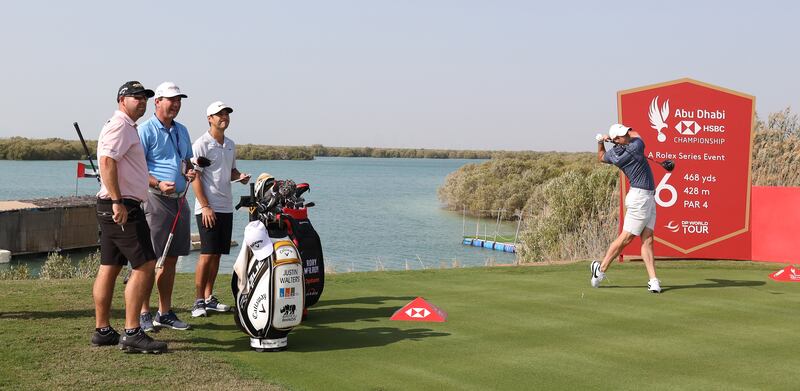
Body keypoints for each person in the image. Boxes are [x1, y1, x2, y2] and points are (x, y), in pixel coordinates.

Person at [92, 81, 167, 353]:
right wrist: (117, 201)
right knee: (146, 264)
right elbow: (107, 161)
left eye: (145, 97)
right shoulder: (121, 125)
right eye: (136, 97)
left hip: (115, 204)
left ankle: (103, 330)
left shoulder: (124, 125)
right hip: (122, 206)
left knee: (109, 266)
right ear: (121, 99)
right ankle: (133, 331)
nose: (142, 101)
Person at [137, 81, 195, 330]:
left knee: (171, 259)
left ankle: (165, 312)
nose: (176, 104)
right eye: (171, 99)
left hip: (179, 200)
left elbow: (187, 161)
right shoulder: (145, 130)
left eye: (179, 100)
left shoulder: (182, 130)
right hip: (155, 198)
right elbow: (137, 168)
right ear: (157, 101)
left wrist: (190, 171)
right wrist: (158, 183)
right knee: (149, 260)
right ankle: (142, 313)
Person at [190, 101, 250, 317]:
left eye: (226, 114)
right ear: (209, 119)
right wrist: (205, 206)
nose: (224, 117)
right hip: (208, 207)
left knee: (216, 255)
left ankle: (208, 297)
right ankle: (198, 301)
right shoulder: (201, 144)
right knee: (206, 254)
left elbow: (231, 171)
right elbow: (194, 176)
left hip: (226, 207)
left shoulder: (230, 144)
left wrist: (240, 177)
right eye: (219, 114)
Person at [592, 124, 662, 293]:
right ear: (617, 139)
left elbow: (601, 157)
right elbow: (637, 133)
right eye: (623, 135)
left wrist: (601, 142)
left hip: (647, 197)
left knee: (648, 239)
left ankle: (653, 280)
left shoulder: (615, 154)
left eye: (626, 133)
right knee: (626, 238)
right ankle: (600, 270)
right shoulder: (635, 146)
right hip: (640, 198)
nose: (628, 135)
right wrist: (612, 139)